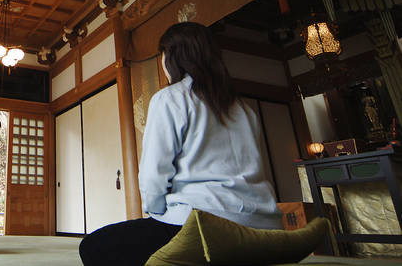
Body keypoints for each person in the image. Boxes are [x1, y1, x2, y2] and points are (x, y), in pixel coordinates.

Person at [79, 22, 283, 266]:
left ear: (171, 57)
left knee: (93, 246)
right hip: (262, 225)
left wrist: (156, 212)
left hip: (202, 224)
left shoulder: (170, 98)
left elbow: (154, 174)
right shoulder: (243, 107)